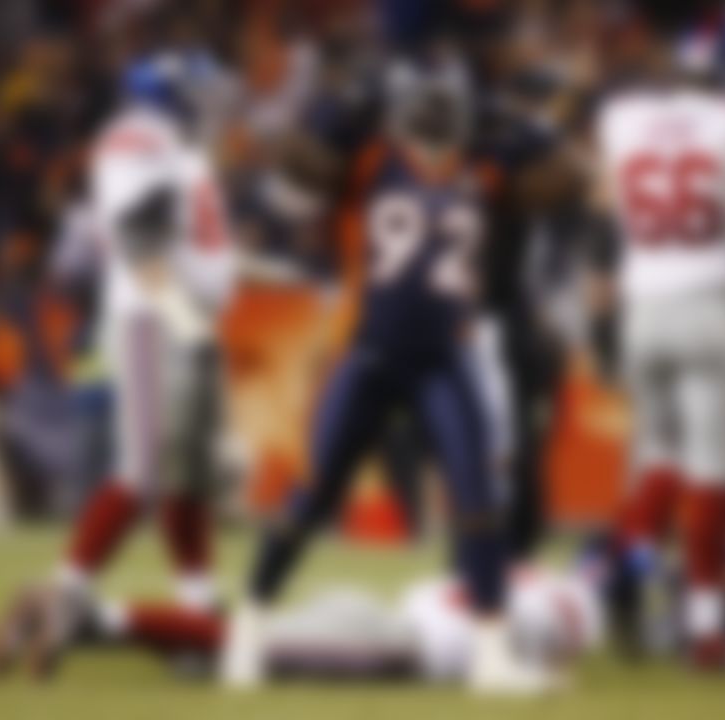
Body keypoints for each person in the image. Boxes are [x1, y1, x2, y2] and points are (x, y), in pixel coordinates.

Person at [221, 57, 552, 694]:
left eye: (444, 104)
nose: (433, 116)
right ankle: (250, 627)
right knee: (313, 496)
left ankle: (491, 654)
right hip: (367, 352)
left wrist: (525, 126)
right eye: (422, 104)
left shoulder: (485, 167)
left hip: (446, 356)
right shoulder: (368, 160)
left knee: (479, 499)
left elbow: (563, 179)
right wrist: (332, 112)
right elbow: (297, 164)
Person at [0, 51, 238, 678]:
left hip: (180, 317)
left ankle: (195, 610)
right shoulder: (136, 137)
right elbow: (136, 240)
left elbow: (185, 238)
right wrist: (186, 319)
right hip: (153, 316)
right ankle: (64, 595)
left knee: (187, 476)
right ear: (167, 97)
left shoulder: (176, 146)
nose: (213, 110)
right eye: (200, 96)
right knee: (145, 468)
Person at [591, 12, 725, 670]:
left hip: (644, 310)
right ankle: (707, 626)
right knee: (713, 472)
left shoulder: (621, 121)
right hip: (711, 304)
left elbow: (604, 199)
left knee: (658, 461)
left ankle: (629, 578)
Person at [0, 559, 604, 687]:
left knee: (210, 661)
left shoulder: (531, 570)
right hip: (394, 645)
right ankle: (86, 611)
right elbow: (544, 664)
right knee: (239, 648)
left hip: (380, 608)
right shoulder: (569, 614)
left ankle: (81, 624)